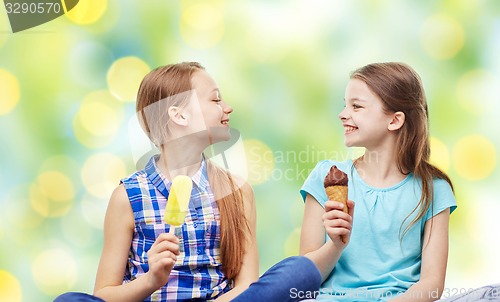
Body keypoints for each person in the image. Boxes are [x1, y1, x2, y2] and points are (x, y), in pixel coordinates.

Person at [54, 62, 321, 302]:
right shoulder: (128, 196)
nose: (227, 108)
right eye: (215, 100)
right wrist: (151, 280)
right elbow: (104, 294)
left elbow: (247, 286)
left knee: (301, 271)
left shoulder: (237, 192)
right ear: (179, 115)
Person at [299, 62, 457, 301]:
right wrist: (335, 245)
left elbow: (432, 284)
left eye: (356, 106)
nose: (343, 114)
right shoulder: (326, 177)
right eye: (345, 105)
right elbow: (304, 281)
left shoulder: (432, 190)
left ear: (394, 120)